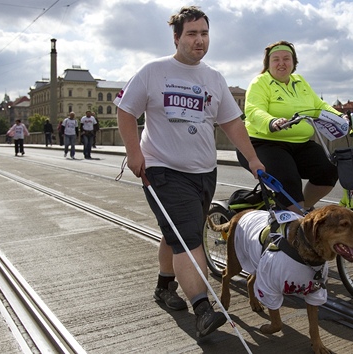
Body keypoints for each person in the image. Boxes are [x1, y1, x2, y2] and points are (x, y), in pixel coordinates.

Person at [114, 6, 264, 339]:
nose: (199, 40)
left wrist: (253, 159)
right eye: (192, 34)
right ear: (177, 37)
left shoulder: (213, 78)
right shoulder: (154, 71)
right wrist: (133, 152)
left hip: (203, 172)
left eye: (204, 34)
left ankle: (164, 287)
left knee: (178, 235)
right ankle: (203, 309)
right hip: (162, 169)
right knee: (188, 238)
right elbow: (125, 110)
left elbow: (231, 123)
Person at [236, 40, 349, 212]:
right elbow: (253, 110)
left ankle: (302, 211)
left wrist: (340, 117)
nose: (281, 63)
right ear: (268, 63)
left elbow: (319, 106)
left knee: (328, 171)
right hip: (263, 143)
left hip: (300, 143)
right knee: (288, 182)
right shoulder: (260, 82)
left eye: (286, 58)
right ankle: (292, 224)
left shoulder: (300, 81)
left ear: (294, 63)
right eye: (275, 59)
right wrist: (272, 122)